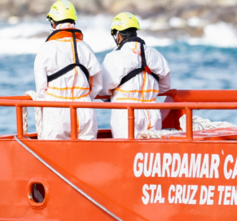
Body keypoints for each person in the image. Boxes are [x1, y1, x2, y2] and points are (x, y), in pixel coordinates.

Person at [34, 0, 103, 140]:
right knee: (87, 156)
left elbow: (41, 90)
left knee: (54, 155)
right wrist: (85, 98)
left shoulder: (46, 49)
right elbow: (97, 83)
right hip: (85, 109)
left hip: (56, 109)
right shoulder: (86, 48)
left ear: (53, 23)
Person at [101, 13, 172, 139]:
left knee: (127, 154)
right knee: (149, 156)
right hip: (152, 113)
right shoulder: (155, 54)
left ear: (118, 35)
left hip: (126, 114)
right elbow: (165, 86)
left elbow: (102, 90)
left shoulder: (114, 57)